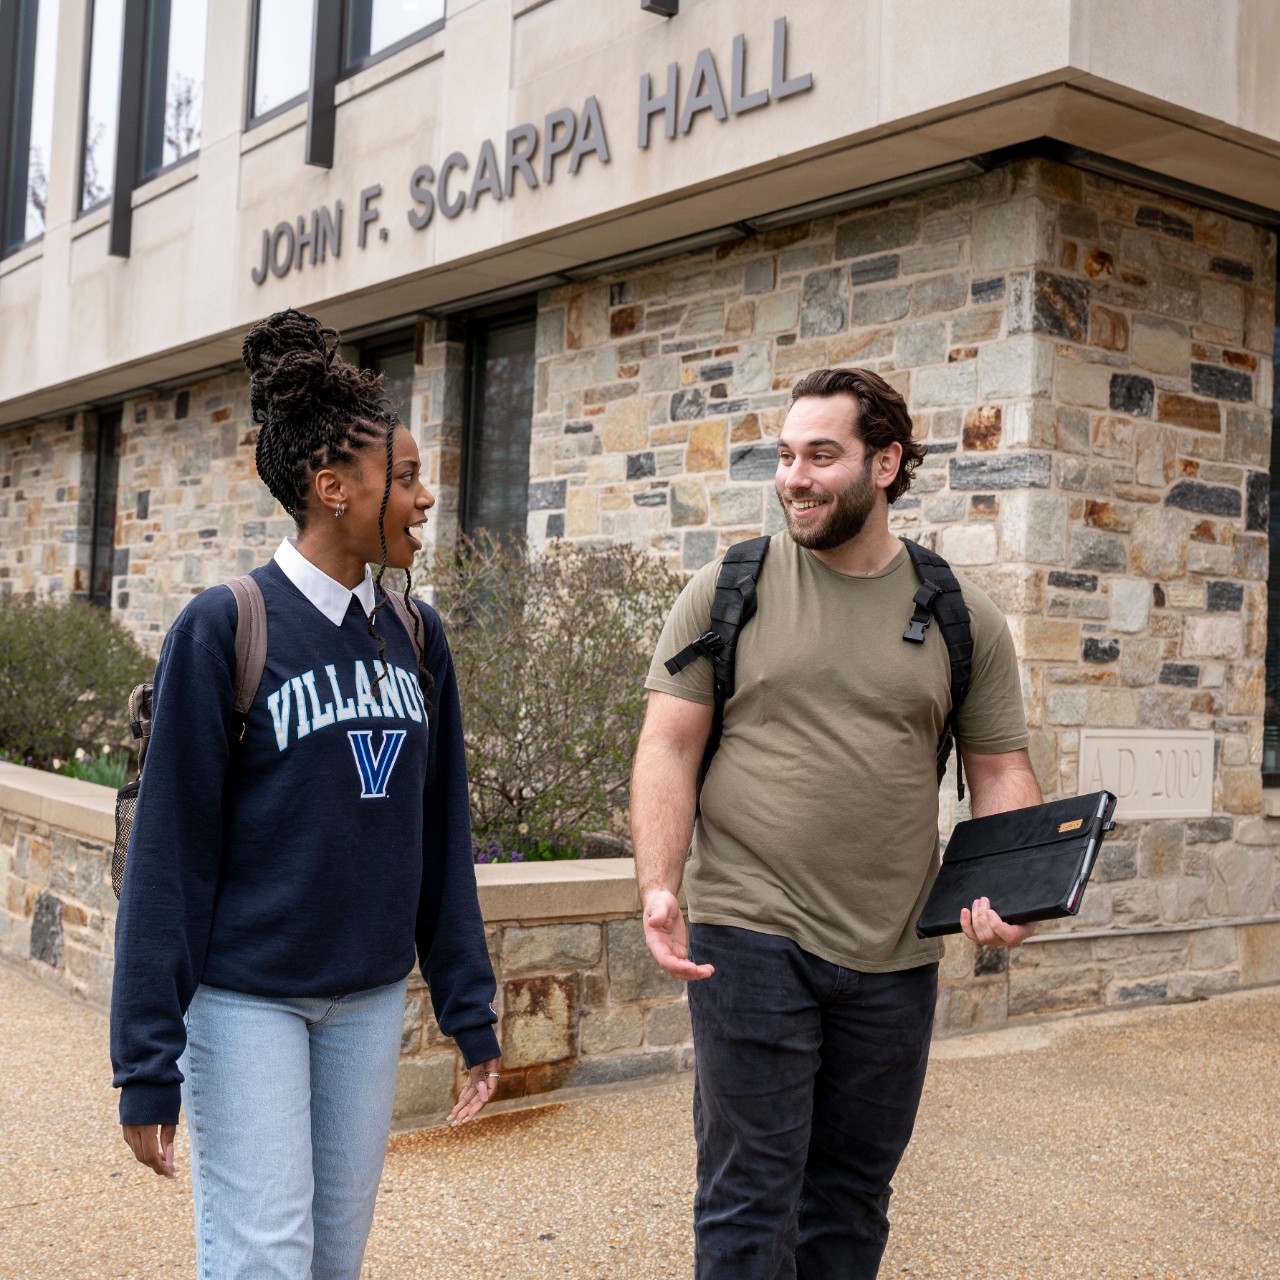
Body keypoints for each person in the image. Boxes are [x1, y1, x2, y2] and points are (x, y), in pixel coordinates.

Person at [109, 308, 501, 1279]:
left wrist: (469, 1008)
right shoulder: (225, 627)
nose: (422, 496)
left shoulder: (417, 637)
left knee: (330, 1259)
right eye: (402, 477)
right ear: (331, 489)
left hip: (365, 999)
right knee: (264, 1258)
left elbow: (439, 835)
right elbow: (170, 855)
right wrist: (145, 1060)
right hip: (246, 1000)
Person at [631, 367, 1042, 1279]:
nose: (794, 478)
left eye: (823, 455)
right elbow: (667, 746)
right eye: (785, 456)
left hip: (895, 954)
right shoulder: (727, 589)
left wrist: (1009, 891)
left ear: (887, 463)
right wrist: (660, 884)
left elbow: (1001, 769)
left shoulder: (960, 616)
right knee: (749, 1196)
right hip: (748, 930)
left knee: (852, 1199)